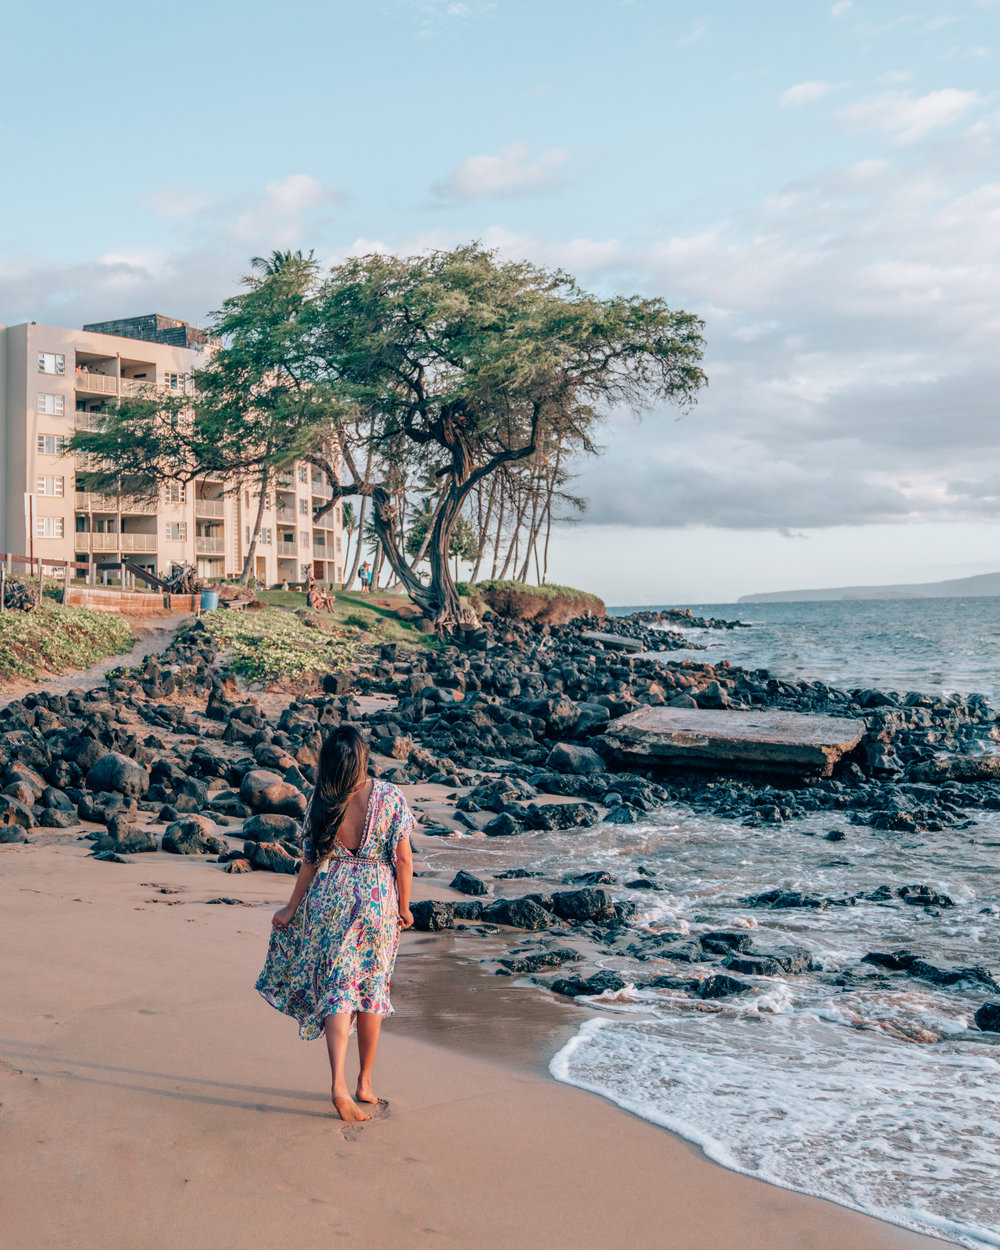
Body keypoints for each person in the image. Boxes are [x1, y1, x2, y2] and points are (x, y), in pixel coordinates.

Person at [255, 726, 415, 1122]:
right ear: (362, 758)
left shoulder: (323, 800)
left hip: (333, 897)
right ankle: (364, 1083)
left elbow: (309, 860)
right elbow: (404, 859)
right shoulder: (390, 795)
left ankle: (339, 1085)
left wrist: (290, 909)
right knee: (372, 990)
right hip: (377, 900)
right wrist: (405, 907)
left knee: (339, 989)